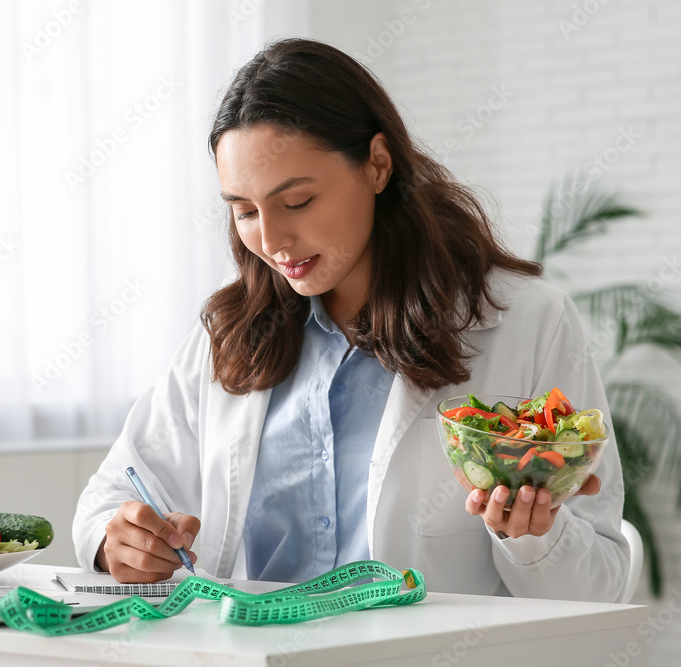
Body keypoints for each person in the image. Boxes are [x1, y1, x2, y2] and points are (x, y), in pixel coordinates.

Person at [72, 37, 628, 602]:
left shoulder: (528, 321)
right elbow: (109, 498)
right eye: (243, 211)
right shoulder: (229, 333)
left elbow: (600, 585)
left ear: (378, 165)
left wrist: (536, 536)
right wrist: (117, 542)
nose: (271, 240)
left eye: (298, 202)